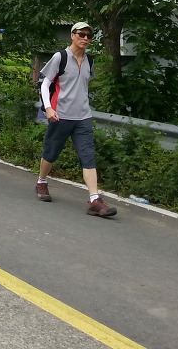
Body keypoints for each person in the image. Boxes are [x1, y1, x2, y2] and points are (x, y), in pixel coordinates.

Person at [35, 21, 116, 217]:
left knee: (88, 156)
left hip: (83, 117)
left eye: (89, 36)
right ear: (72, 35)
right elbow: (45, 84)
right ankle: (41, 181)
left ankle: (95, 199)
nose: (85, 38)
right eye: (81, 34)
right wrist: (48, 108)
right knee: (51, 152)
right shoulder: (60, 57)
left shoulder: (90, 61)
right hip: (60, 115)